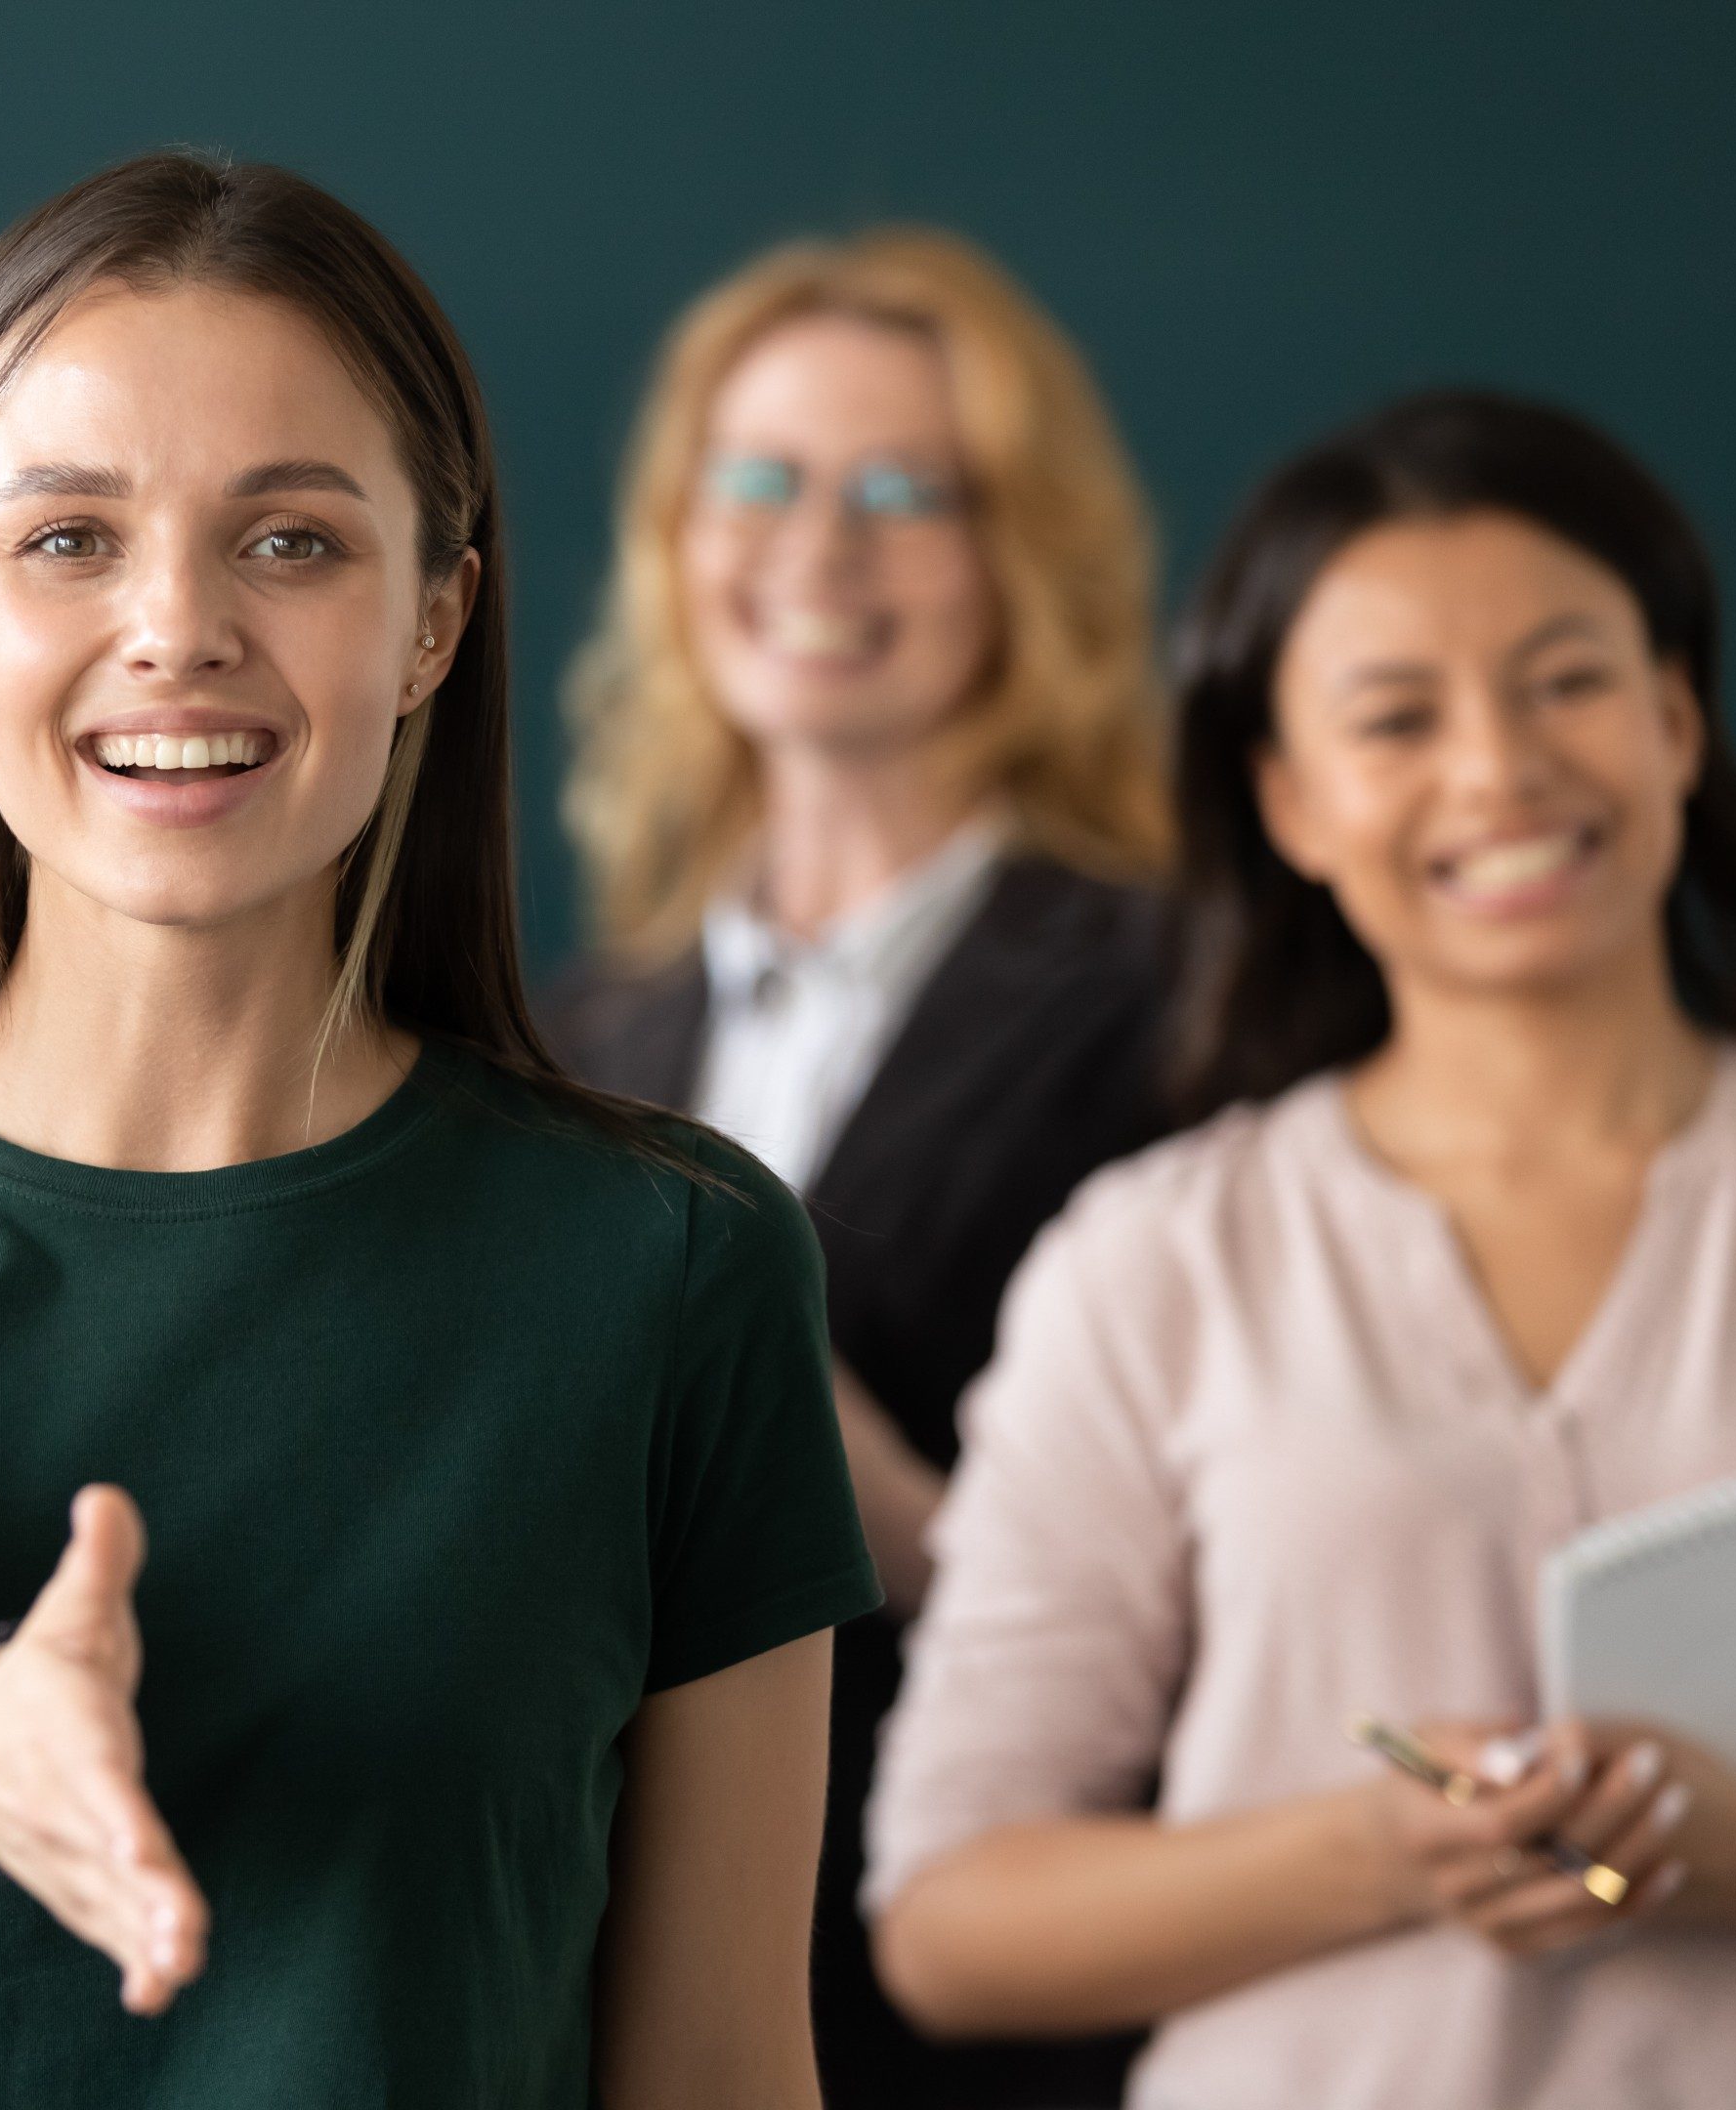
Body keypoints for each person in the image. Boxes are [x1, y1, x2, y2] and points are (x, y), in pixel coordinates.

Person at [0, 152, 874, 2107]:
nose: (175, 628)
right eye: (68, 539)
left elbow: (728, 2068)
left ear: (435, 620)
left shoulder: (676, 1263)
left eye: (294, 543)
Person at [866, 391, 1736, 2108]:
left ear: (1676, 720)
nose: (1500, 770)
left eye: (1570, 681)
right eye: (1395, 717)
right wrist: (1380, 1853)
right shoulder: (1152, 1261)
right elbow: (950, 1915)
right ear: (1290, 800)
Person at [544, 228, 1170, 2106]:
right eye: (762, 481)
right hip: (596, 1994)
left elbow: (1256, 1607)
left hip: (980, 2011)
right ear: (677, 531)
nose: (818, 551)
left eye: (909, 494)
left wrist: (833, 1455)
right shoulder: (575, 1036)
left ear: (1022, 558)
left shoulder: (1188, 1000)